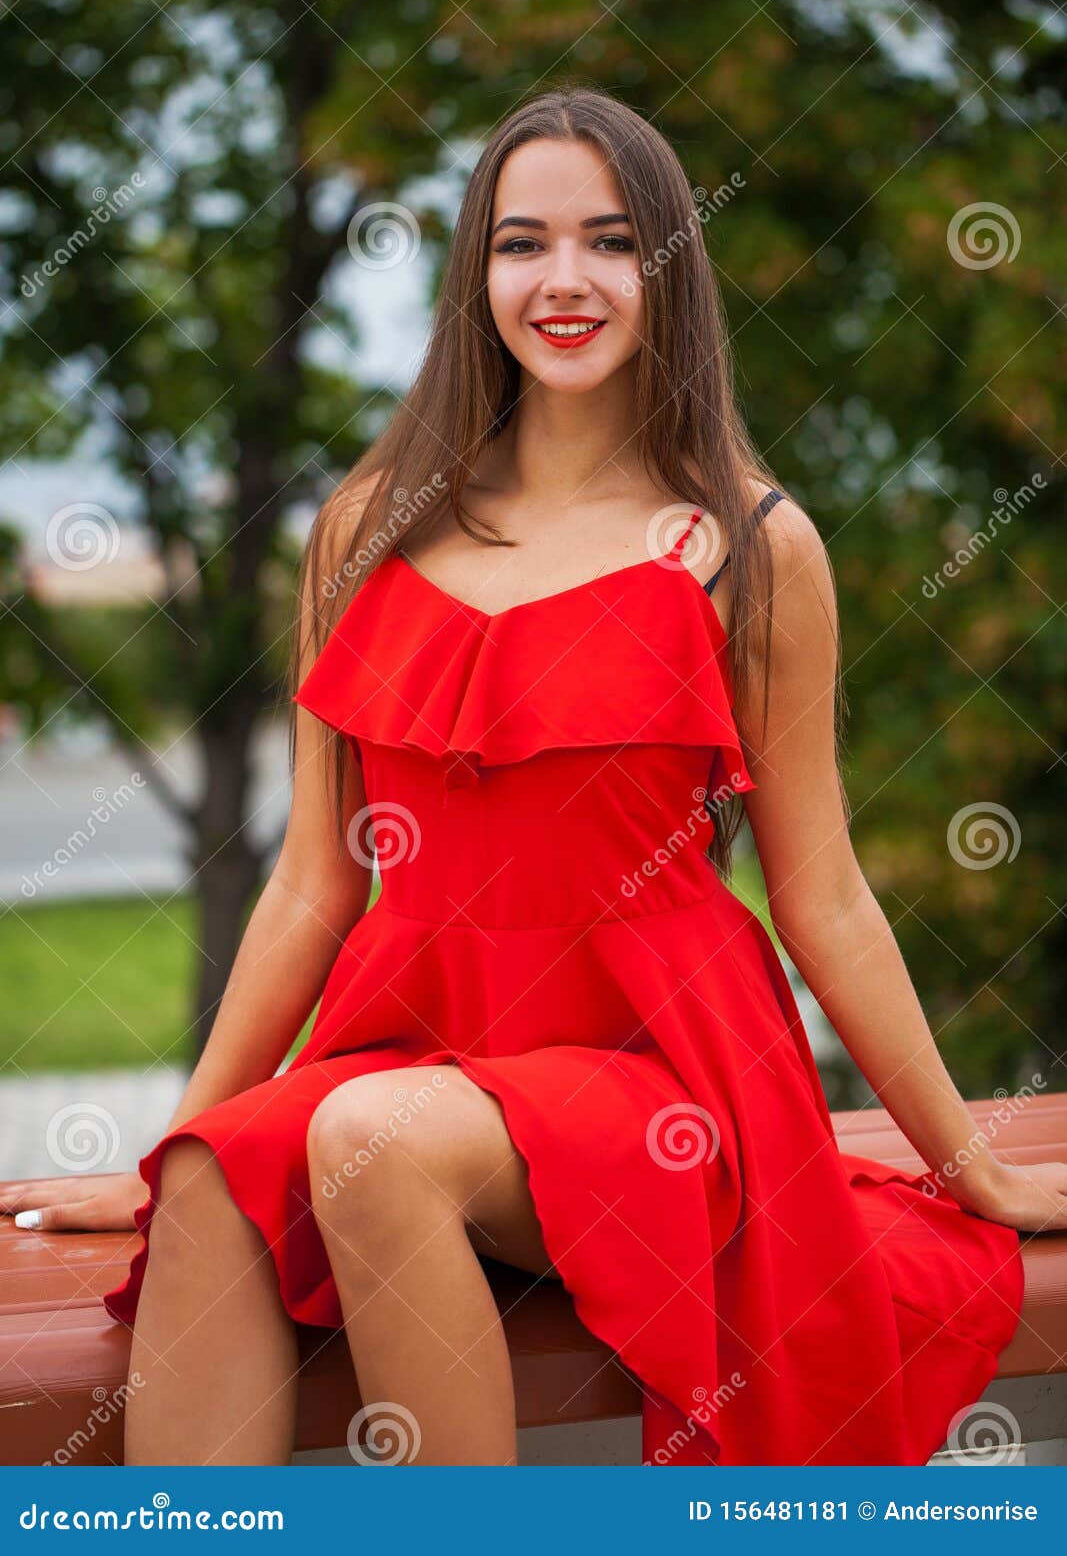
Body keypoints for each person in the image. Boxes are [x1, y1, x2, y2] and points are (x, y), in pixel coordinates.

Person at [4, 85, 1064, 1469]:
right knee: (213, 1180)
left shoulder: (751, 545)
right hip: (422, 1038)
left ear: (667, 270)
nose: (564, 280)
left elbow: (826, 892)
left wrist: (970, 1161)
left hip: (659, 1078)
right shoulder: (365, 528)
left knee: (373, 1139)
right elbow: (311, 887)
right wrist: (176, 1144)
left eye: (612, 241)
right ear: (475, 272)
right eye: (523, 243)